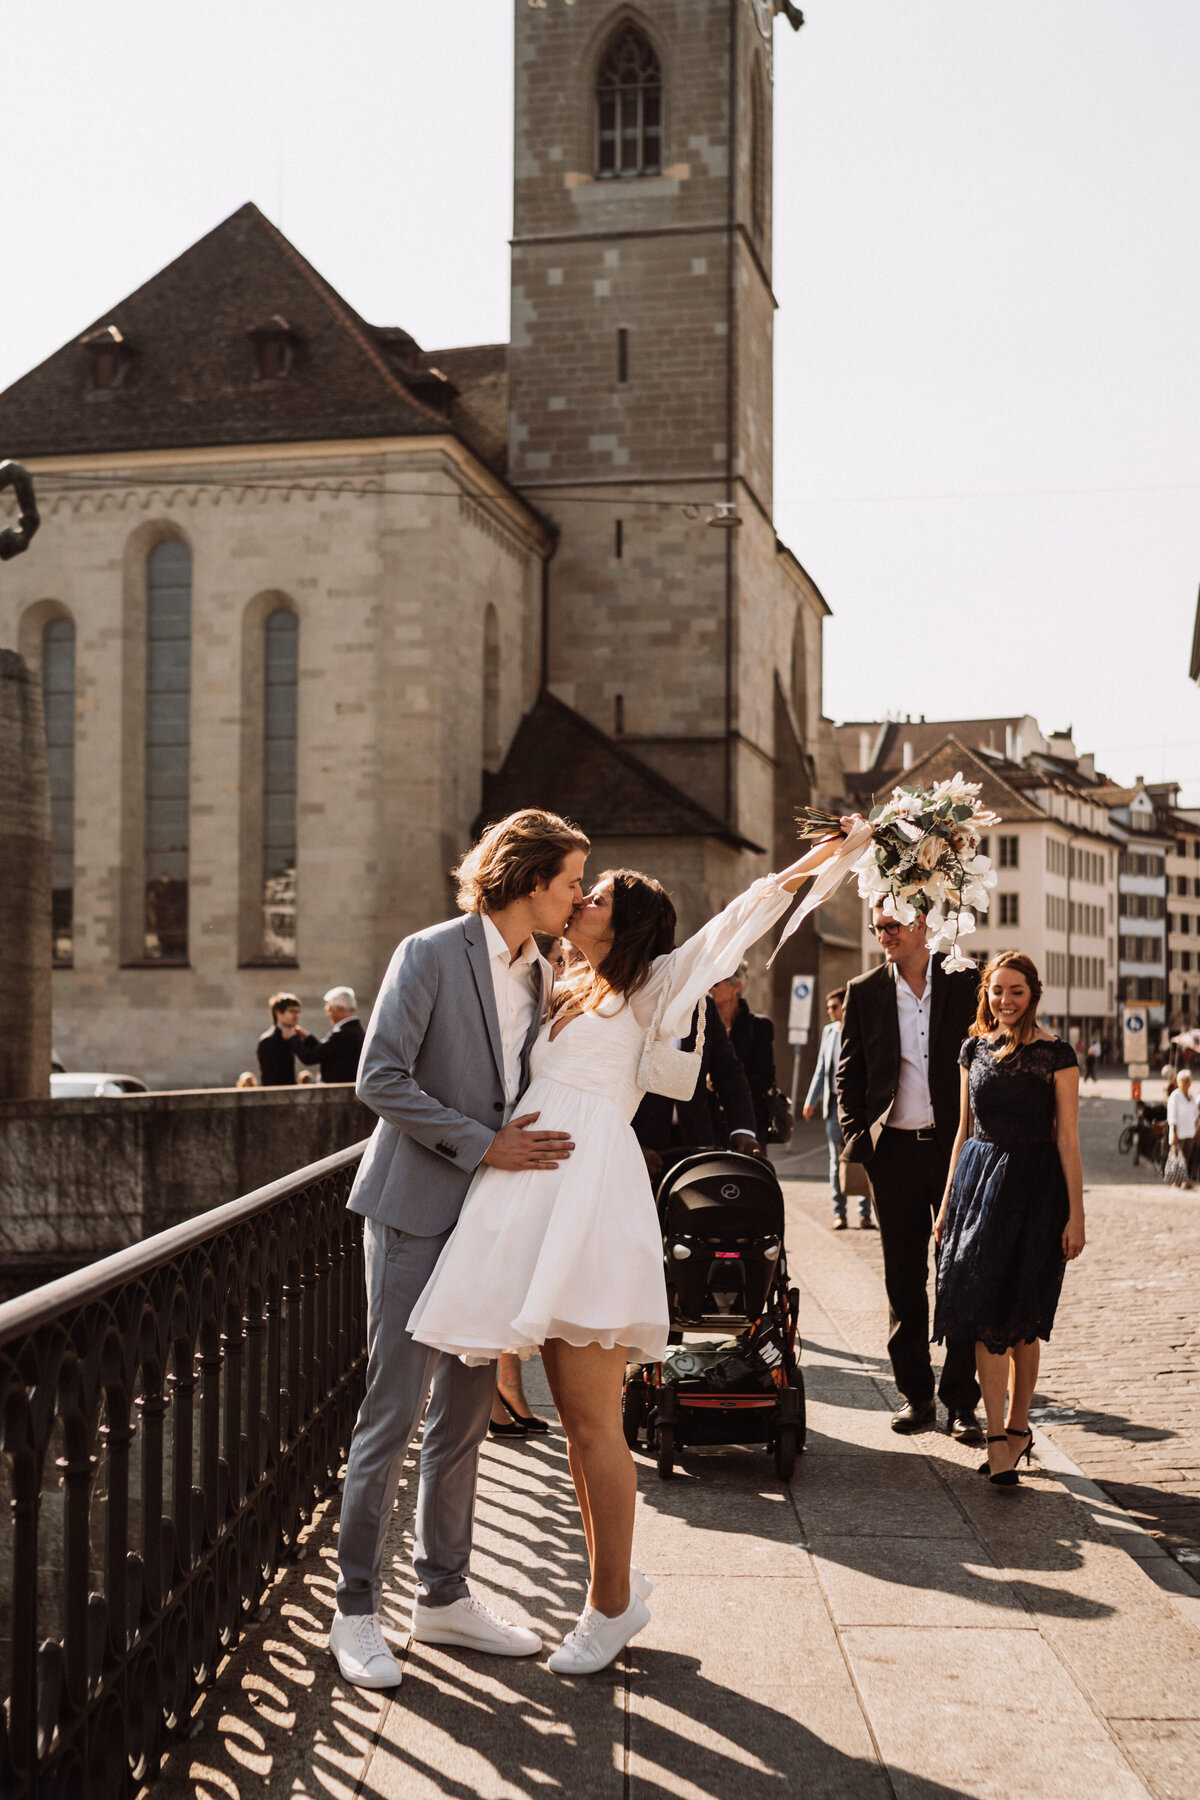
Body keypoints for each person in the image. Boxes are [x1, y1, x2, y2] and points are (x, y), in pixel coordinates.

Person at [408, 822, 861, 1677]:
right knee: (573, 1425)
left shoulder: (655, 982)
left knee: (590, 1419)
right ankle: (608, 1584)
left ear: (628, 926)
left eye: (597, 897)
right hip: (528, 1196)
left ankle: (610, 1607)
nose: (579, 900)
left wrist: (833, 855)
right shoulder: (563, 980)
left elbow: (743, 916)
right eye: (580, 890)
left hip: (587, 1198)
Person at [328, 809, 589, 1691]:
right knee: (392, 1412)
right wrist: (482, 1143)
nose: (578, 896)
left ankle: (441, 1599)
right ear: (525, 881)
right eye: (568, 882)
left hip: (493, 1222)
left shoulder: (548, 967)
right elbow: (380, 1077)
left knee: (467, 1416)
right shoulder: (432, 951)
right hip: (415, 1209)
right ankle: (354, 1609)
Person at [933, 952, 1085, 1485]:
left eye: (1016, 990)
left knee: (1023, 1316)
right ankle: (996, 1431)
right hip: (977, 1184)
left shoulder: (1057, 1055)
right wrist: (949, 1201)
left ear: (1033, 993)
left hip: (1036, 1190)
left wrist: (1077, 1215)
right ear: (987, 994)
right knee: (979, 1310)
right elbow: (961, 1130)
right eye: (997, 990)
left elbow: (1067, 1139)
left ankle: (1019, 1426)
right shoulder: (971, 1049)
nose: (1005, 1000)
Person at [838, 904, 983, 1440]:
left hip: (956, 1151)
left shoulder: (965, 978)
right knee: (904, 1278)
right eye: (877, 926)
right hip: (893, 1154)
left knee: (959, 1275)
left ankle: (963, 1403)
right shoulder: (865, 989)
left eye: (892, 925)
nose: (883, 935)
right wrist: (859, 1136)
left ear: (923, 924)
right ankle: (916, 1397)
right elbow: (848, 1070)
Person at [632, 995, 759, 1177]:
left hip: (693, 1141)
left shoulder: (703, 1004)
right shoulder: (629, 1002)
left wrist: (743, 1129)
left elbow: (728, 1072)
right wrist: (628, 1145)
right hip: (639, 1144)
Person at [805, 989, 872, 1230]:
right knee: (836, 1160)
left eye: (834, 1007)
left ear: (844, 1007)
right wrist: (810, 1101)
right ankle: (839, 1213)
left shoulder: (860, 1028)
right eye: (828, 1008)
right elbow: (821, 1069)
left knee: (862, 1155)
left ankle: (865, 1214)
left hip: (858, 1104)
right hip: (834, 1104)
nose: (830, 1012)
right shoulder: (828, 1032)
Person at [710, 961, 777, 1148]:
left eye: (715, 983)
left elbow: (764, 1077)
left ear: (736, 986)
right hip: (709, 1122)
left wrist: (726, 1084)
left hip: (750, 1120)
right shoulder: (700, 1025)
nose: (709, 988)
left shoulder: (759, 1027)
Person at [294, 986, 366, 1084]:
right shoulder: (359, 1032)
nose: (328, 1013)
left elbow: (310, 1057)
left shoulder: (341, 1035)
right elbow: (325, 1051)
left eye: (329, 1009)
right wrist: (308, 1037)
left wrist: (292, 1037)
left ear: (339, 1009)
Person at [256, 992, 302, 1087]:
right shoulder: (268, 1040)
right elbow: (269, 1077)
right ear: (278, 1013)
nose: (295, 1015)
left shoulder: (293, 1036)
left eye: (297, 1012)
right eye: (291, 1011)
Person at [1166, 1068, 1196, 1190]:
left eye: (1187, 1081)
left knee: (1186, 1158)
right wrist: (1174, 1131)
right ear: (1179, 1082)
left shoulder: (1191, 1097)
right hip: (1178, 1132)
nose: (1185, 1083)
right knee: (1177, 1158)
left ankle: (1184, 1181)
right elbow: (1172, 1115)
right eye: (1183, 1081)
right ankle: (1175, 1181)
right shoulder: (1175, 1096)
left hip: (1189, 1131)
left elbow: (1195, 1114)